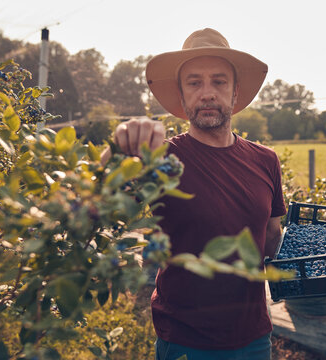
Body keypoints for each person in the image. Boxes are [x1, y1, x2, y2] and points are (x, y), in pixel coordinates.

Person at [103, 28, 286, 360]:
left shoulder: (266, 160)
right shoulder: (159, 159)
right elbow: (98, 206)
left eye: (219, 81)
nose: (207, 93)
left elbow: (272, 236)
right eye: (194, 82)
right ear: (182, 94)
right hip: (187, 340)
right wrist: (116, 152)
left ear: (234, 92)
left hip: (256, 336)